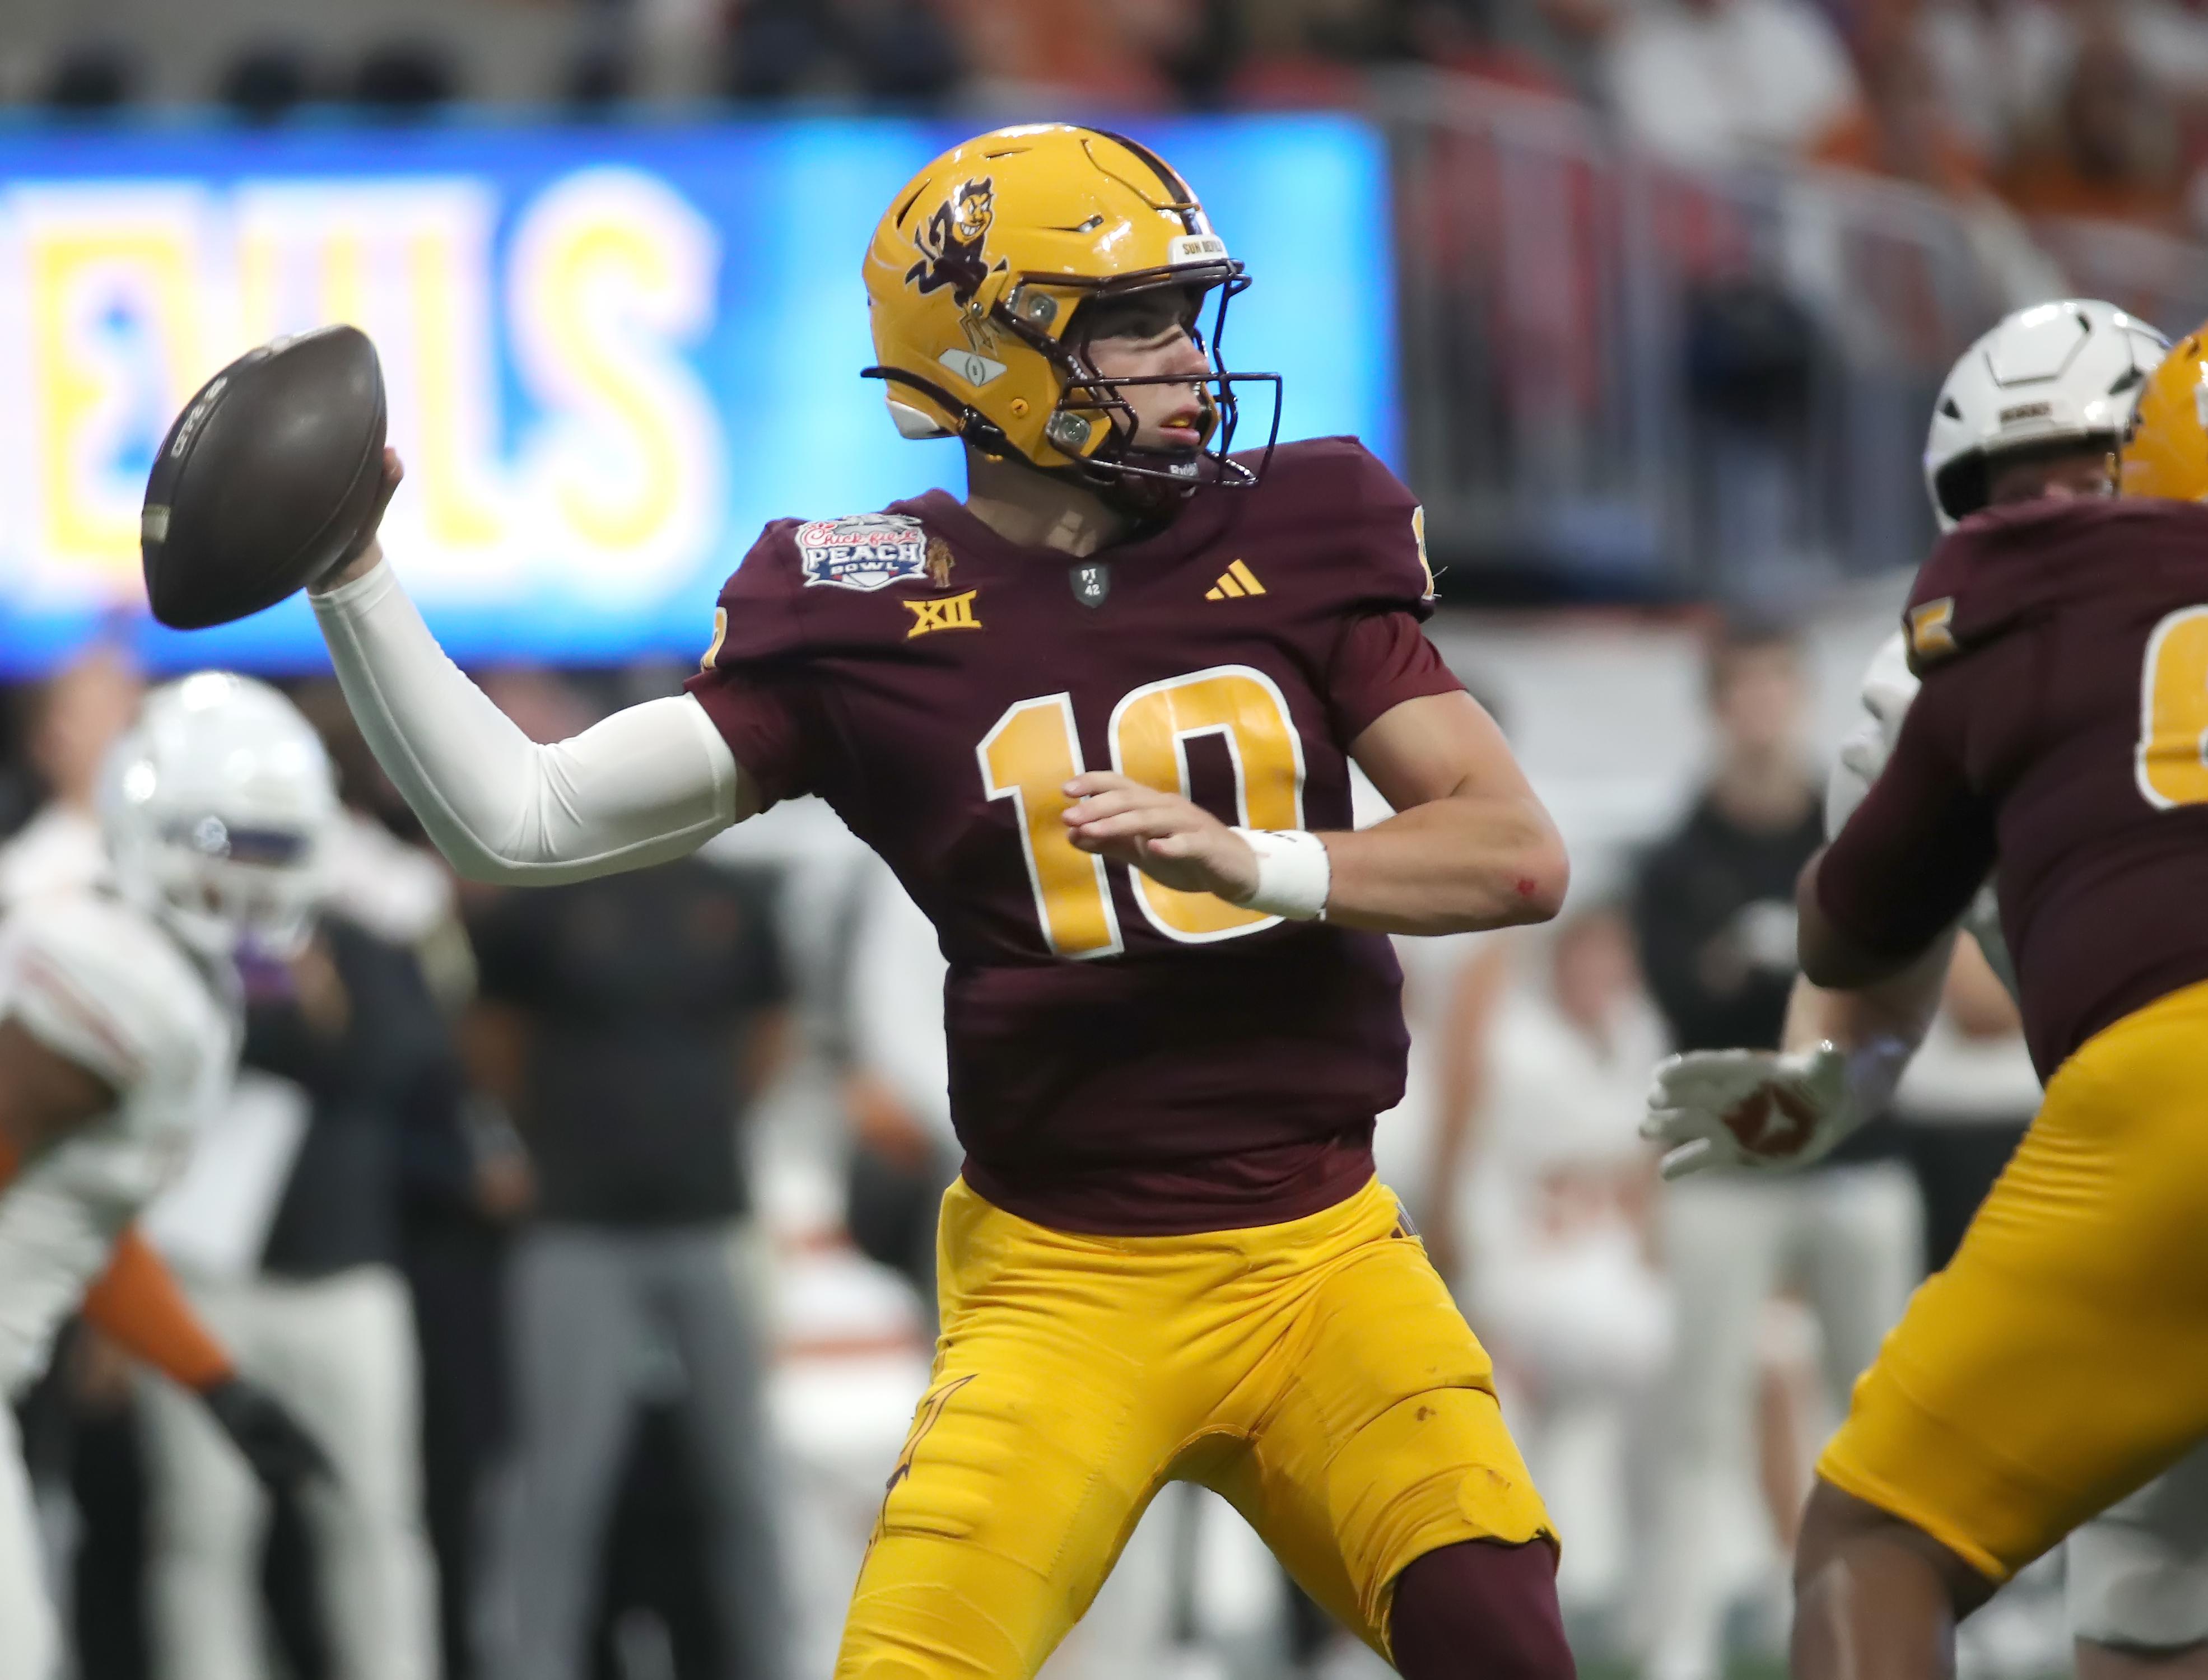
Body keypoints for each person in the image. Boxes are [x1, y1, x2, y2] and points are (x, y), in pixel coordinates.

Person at [296, 124, 1574, 1676]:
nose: (1186, 359)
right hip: (1061, 1280)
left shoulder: (1298, 529)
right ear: (989, 353)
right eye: (1131, 323)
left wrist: (1268, 863)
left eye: (1185, 314)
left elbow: (1513, 850)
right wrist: (354, 573)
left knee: (1506, 1646)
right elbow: (523, 818)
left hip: (1321, 1253)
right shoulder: (861, 606)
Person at [1643, 300, 2208, 1680]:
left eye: (2093, 477)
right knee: (2151, 1599)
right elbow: (1881, 1003)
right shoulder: (1931, 675)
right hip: (2132, 1170)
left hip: (2158, 1131)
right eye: (2024, 494)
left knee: (1879, 1538)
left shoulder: (1965, 651)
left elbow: (1855, 929)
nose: (2062, 514)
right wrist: (1826, 1086)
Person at [0, 672, 340, 1679]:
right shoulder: (115, 978)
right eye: (219, 844)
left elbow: (76, 1217)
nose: (241, 879)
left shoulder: (155, 967)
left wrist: (216, 1382)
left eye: (266, 849)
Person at [464, 670, 794, 1680]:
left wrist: (704, 1123)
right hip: (579, 1224)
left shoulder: (730, 896)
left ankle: (767, 1663)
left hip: (710, 1216)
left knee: (742, 1481)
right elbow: (493, 1038)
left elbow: (770, 1030)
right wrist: (547, 1138)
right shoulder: (547, 893)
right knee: (561, 1483)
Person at [1628, 618, 1922, 1680]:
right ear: (1716, 705)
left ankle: (1897, 1632)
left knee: (1882, 1415)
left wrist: (1765, 984)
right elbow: (1679, 1006)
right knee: (1696, 1407)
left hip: (1855, 1153)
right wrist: (1794, 990)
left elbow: (1884, 985)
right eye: (1740, 691)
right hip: (1729, 1166)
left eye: (1774, 689)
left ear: (1796, 698)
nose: (1759, 711)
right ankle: (1679, 1639)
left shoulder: (1848, 835)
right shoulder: (1675, 855)